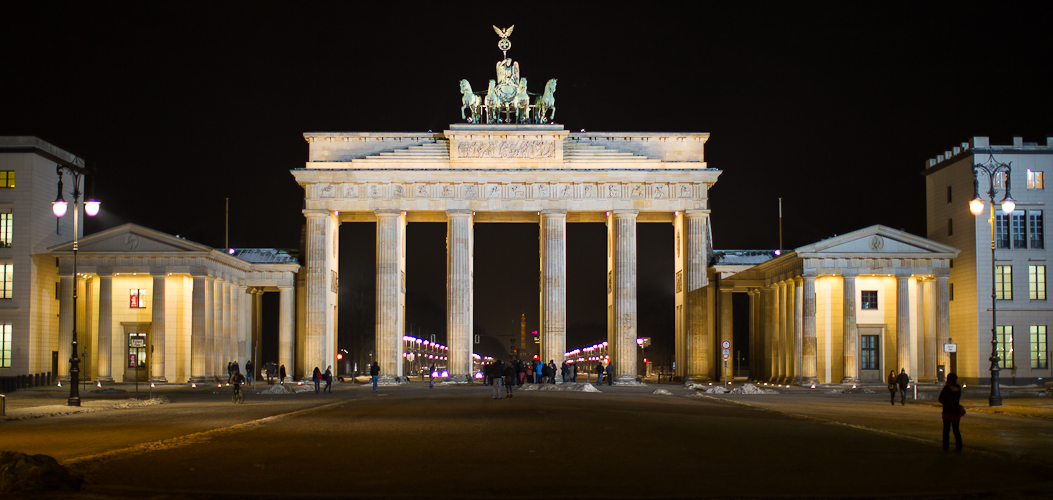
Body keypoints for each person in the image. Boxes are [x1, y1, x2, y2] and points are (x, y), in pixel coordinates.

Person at [938, 372, 964, 451]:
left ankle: (946, 446)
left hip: (947, 411)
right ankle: (959, 446)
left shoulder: (946, 388)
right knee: (956, 430)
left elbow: (940, 399)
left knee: (946, 430)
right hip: (956, 411)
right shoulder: (958, 389)